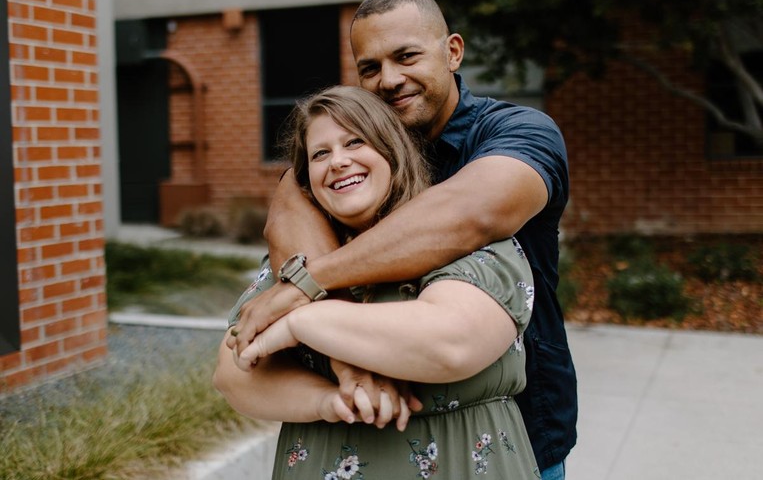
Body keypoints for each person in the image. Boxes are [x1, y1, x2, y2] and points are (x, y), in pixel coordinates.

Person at [228, 0, 577, 480]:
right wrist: (347, 360)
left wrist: (306, 294)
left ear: (452, 51)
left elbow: (468, 214)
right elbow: (289, 201)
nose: (389, 79)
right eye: (370, 67)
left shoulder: (518, 131)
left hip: (508, 429)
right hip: (363, 435)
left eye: (406, 56)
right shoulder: (356, 159)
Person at [215, 85, 540, 479]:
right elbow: (233, 375)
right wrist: (332, 402)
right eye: (321, 154)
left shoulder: (465, 240)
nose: (338, 162)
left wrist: (303, 321)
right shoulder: (294, 263)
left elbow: (451, 344)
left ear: (392, 151)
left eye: (355, 142)